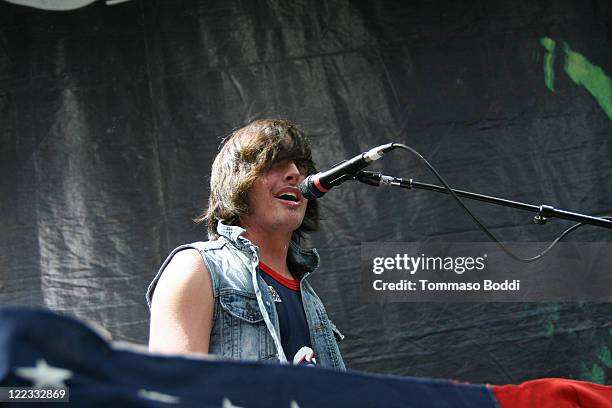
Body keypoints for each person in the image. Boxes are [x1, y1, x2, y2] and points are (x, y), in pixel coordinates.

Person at [146, 119, 345, 370]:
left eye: (301, 165)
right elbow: (172, 393)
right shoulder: (196, 268)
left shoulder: (308, 296)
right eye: (275, 162)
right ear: (238, 182)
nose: (295, 172)